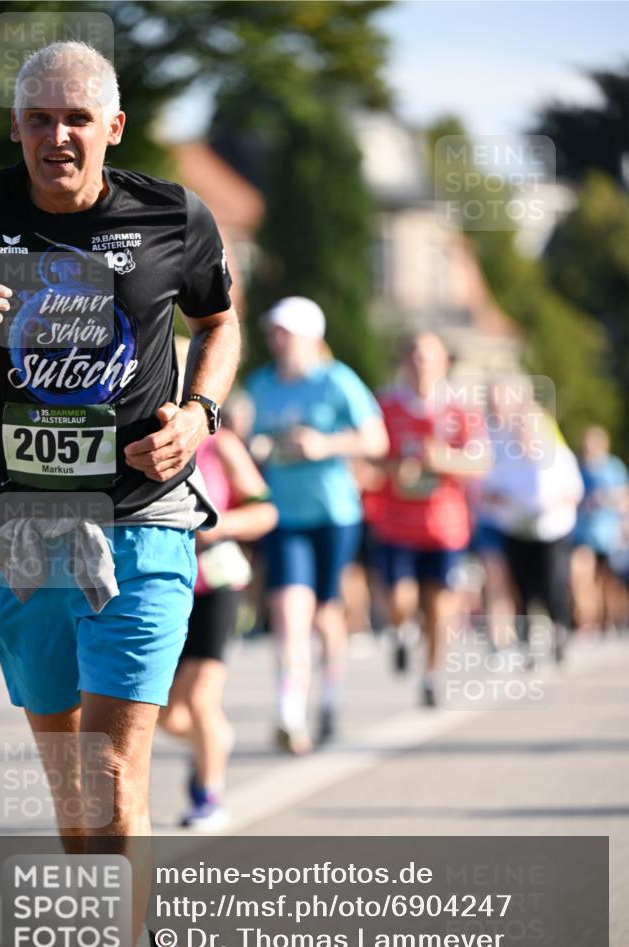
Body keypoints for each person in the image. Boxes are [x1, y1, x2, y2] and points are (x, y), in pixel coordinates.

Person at [0, 41, 240, 947]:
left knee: (113, 770)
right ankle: (145, 930)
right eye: (38, 118)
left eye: (77, 118)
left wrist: (197, 419)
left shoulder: (171, 214)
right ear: (16, 129)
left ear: (112, 128)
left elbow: (220, 321)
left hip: (142, 521)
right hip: (20, 529)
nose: (57, 136)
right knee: (75, 786)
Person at [246, 297, 388, 752]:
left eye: (286, 332)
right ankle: (290, 712)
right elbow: (248, 442)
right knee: (290, 613)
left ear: (311, 337)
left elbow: (376, 440)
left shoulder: (336, 380)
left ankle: (330, 698)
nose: (276, 339)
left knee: (326, 614)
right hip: (284, 515)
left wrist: (324, 445)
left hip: (333, 515)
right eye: (273, 331)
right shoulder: (261, 384)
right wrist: (260, 449)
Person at [158, 425, 277, 829]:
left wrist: (217, 524)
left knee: (200, 700)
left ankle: (209, 795)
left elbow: (265, 511)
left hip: (215, 585)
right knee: (165, 714)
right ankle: (214, 742)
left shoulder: (219, 443)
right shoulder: (137, 436)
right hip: (158, 589)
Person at [365, 332, 490, 706]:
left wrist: (443, 461)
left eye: (428, 356)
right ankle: (401, 633)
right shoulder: (385, 406)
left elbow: (481, 461)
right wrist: (393, 469)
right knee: (400, 598)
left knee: (439, 605)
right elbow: (368, 457)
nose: (421, 362)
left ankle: (432, 675)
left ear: (443, 363)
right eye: (415, 355)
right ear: (404, 361)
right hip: (396, 523)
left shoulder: (460, 410)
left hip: (445, 527)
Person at [479, 381, 584, 663]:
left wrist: (558, 501)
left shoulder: (556, 454)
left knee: (552, 583)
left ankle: (559, 630)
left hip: (553, 529)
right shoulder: (503, 454)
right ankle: (525, 641)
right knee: (521, 586)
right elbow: (487, 488)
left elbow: (573, 489)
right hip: (515, 529)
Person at [571, 425, 629, 632]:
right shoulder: (578, 467)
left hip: (609, 535)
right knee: (581, 576)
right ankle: (588, 622)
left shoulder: (614, 468)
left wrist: (605, 499)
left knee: (608, 582)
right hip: (583, 534)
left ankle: (611, 620)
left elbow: (624, 500)